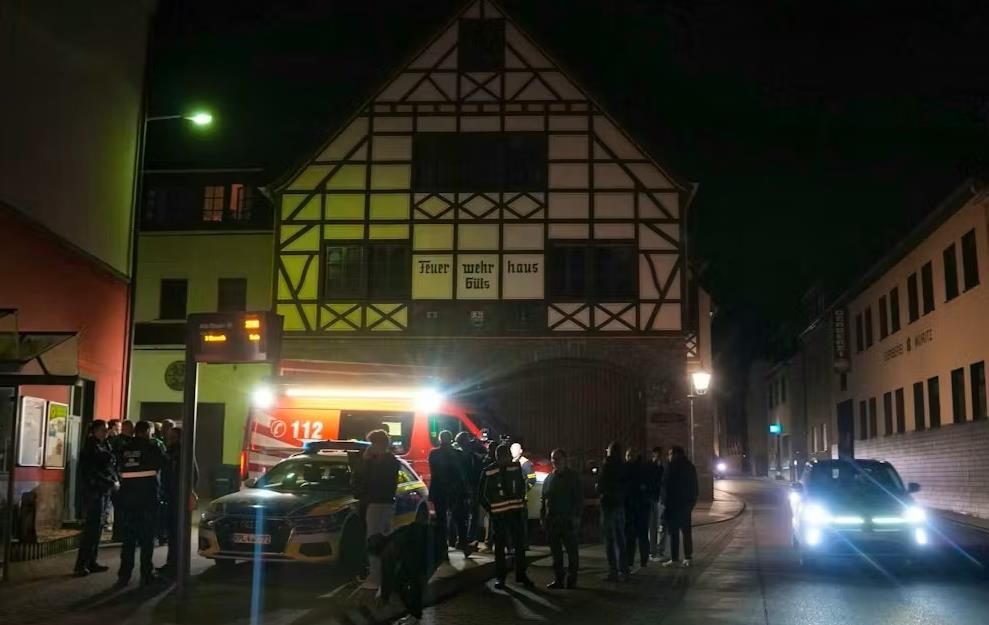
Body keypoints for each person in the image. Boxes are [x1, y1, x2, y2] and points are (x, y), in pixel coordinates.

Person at [368, 518, 448, 625]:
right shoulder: (389, 549)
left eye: (384, 554)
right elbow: (387, 573)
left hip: (436, 549)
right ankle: (412, 612)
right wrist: (384, 597)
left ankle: (415, 616)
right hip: (423, 548)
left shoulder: (406, 546)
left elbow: (416, 578)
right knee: (399, 583)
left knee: (414, 581)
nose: (385, 557)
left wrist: (416, 613)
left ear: (387, 546)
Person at [115, 420, 166, 586]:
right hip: (147, 499)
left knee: (128, 540)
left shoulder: (124, 448)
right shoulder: (153, 447)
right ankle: (146, 573)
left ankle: (124, 575)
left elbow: (117, 467)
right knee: (147, 539)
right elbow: (163, 465)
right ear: (147, 432)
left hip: (127, 500)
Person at [479, 444, 533, 589]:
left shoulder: (515, 468)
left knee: (519, 546)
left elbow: (521, 485)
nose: (507, 458)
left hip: (515, 513)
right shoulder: (489, 471)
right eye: (505, 456)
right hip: (500, 516)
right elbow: (482, 495)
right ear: (498, 457)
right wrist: (491, 510)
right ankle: (501, 578)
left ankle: (520, 575)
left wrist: (521, 501)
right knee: (500, 548)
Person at [353, 429, 400, 590]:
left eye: (372, 444)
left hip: (377, 503)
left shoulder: (380, 462)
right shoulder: (392, 461)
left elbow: (369, 481)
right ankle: (386, 576)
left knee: (373, 539)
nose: (370, 447)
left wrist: (366, 462)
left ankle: (375, 578)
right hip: (387, 503)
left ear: (378, 444)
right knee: (385, 539)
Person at [74, 420, 118, 577]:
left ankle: (91, 561)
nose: (106, 432)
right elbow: (92, 472)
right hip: (94, 493)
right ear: (95, 431)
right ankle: (82, 564)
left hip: (102, 491)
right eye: (103, 430)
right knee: (91, 529)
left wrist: (113, 480)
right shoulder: (91, 447)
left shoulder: (104, 444)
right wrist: (110, 482)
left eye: (106, 430)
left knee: (97, 528)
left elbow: (109, 466)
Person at [159, 426, 198, 576]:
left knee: (177, 532)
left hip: (177, 498)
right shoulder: (170, 452)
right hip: (171, 497)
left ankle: (176, 565)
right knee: (173, 532)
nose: (169, 439)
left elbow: (194, 475)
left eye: (172, 437)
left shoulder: (182, 452)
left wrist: (185, 492)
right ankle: (172, 563)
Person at [540, 448, 582, 589]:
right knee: (556, 552)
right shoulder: (549, 478)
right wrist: (543, 517)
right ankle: (559, 578)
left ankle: (572, 579)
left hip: (567, 519)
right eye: (553, 459)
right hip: (553, 520)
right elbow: (544, 499)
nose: (555, 461)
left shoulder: (573, 477)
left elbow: (578, 498)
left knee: (571, 551)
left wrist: (576, 516)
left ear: (565, 460)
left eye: (557, 458)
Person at [428, 430, 471, 556]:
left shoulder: (434, 454)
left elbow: (434, 472)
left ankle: (443, 549)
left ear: (440, 440)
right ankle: (463, 544)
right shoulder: (458, 454)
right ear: (451, 440)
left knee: (441, 521)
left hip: (439, 491)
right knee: (460, 519)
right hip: (456, 491)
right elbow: (463, 473)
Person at [662, 446, 699, 568]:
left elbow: (666, 486)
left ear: (676, 454)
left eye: (670, 454)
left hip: (675, 505)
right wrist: (691, 504)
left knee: (676, 532)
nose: (669, 456)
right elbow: (694, 487)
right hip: (682, 505)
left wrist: (664, 503)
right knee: (682, 532)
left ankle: (677, 558)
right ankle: (685, 557)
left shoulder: (673, 467)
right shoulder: (688, 467)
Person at [597, 440, 629, 581]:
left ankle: (613, 570)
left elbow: (601, 485)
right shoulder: (623, 466)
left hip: (608, 505)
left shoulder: (607, 465)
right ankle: (624, 569)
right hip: (620, 505)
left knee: (610, 540)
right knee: (621, 539)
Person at [454, 431, 485, 548]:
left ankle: (461, 538)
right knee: (472, 514)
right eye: (468, 439)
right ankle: (469, 538)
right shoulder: (466, 455)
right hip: (469, 487)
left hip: (464, 488)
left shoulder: (459, 454)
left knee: (463, 515)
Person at [624, 448, 651, 570]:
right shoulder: (643, 468)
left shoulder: (626, 469)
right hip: (642, 507)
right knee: (642, 535)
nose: (628, 457)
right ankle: (643, 560)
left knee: (631, 536)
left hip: (631, 507)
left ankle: (630, 561)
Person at [646, 446, 667, 560]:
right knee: (653, 526)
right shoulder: (650, 466)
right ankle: (652, 551)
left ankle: (659, 550)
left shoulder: (663, 466)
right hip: (653, 498)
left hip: (660, 499)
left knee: (661, 526)